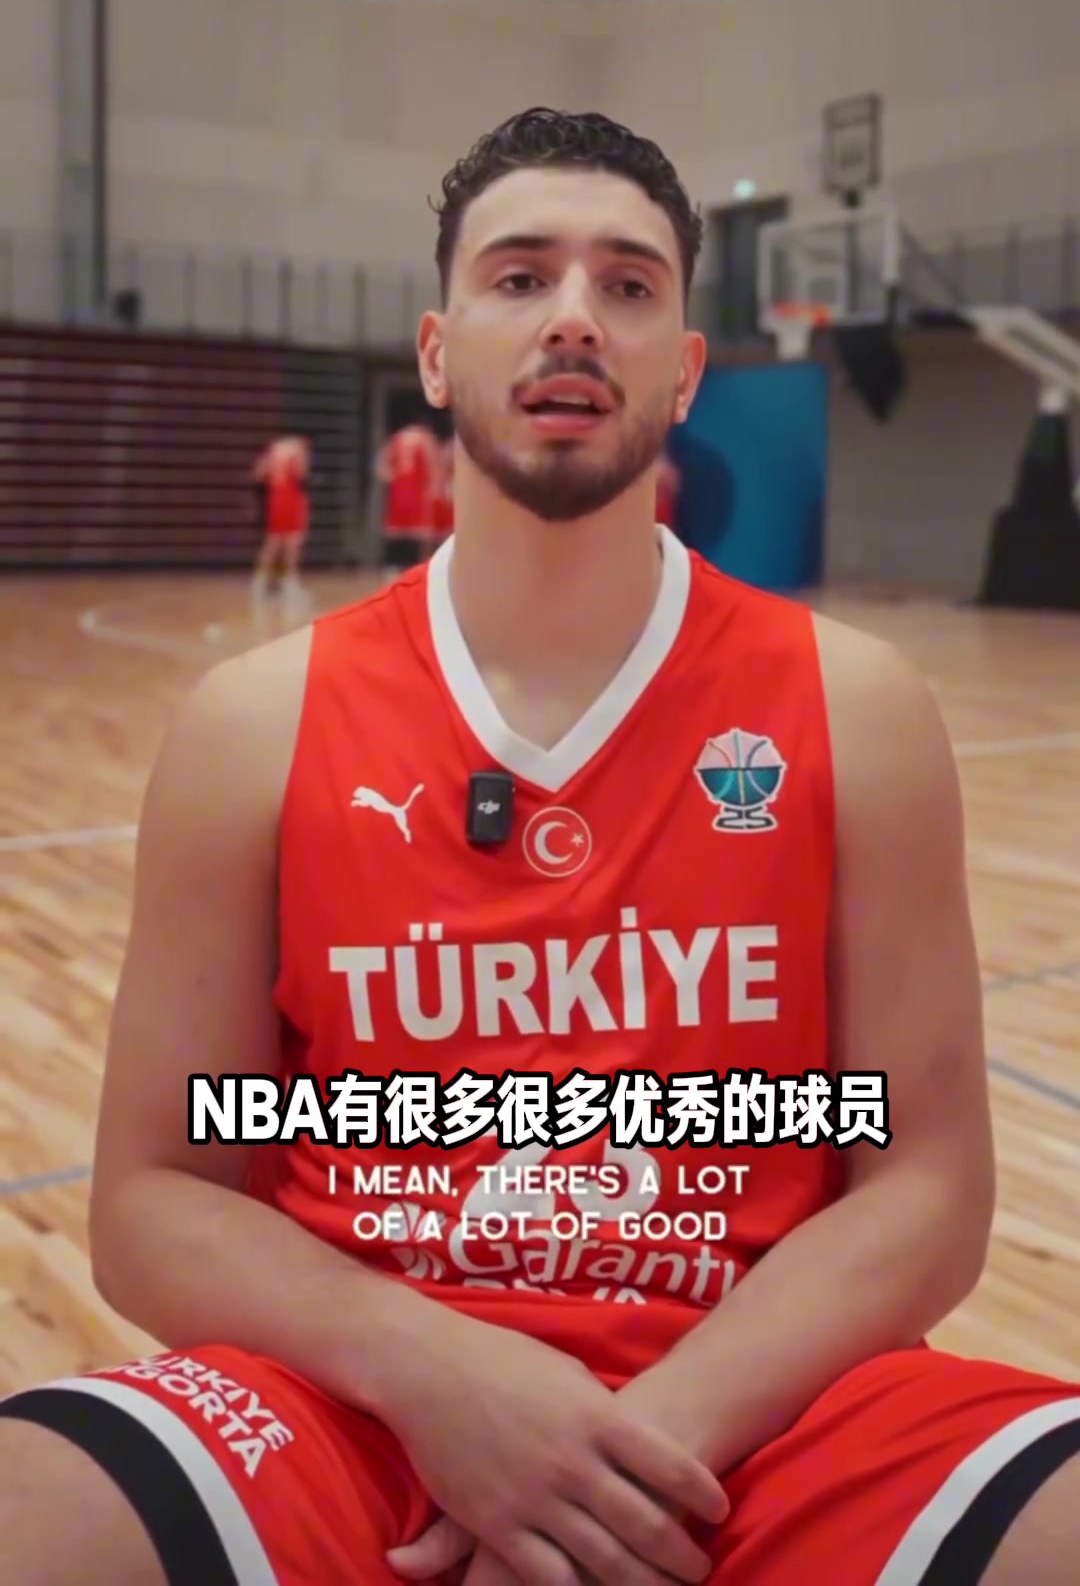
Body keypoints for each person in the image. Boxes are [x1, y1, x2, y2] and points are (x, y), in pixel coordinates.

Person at [1, 107, 1078, 1586]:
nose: (574, 315)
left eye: (627, 284)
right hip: (350, 1411)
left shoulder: (858, 708)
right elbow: (148, 1201)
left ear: (684, 370)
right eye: (520, 277)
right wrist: (437, 1378)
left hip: (772, 1409)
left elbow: (929, 1186)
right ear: (439, 352)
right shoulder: (253, 724)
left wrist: (620, 1456)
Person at [250, 433, 312, 622]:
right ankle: (290, 587)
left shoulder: (274, 449)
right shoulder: (299, 449)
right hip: (291, 497)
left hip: (275, 497)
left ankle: (259, 585)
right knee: (293, 543)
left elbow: (258, 474)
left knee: (273, 542)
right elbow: (302, 474)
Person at [376, 416, 441, 570]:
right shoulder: (426, 438)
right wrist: (435, 486)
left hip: (398, 490)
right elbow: (434, 464)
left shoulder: (397, 437)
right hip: (419, 491)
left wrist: (390, 476)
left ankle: (392, 565)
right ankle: (423, 568)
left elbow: (381, 465)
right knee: (423, 533)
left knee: (396, 531)